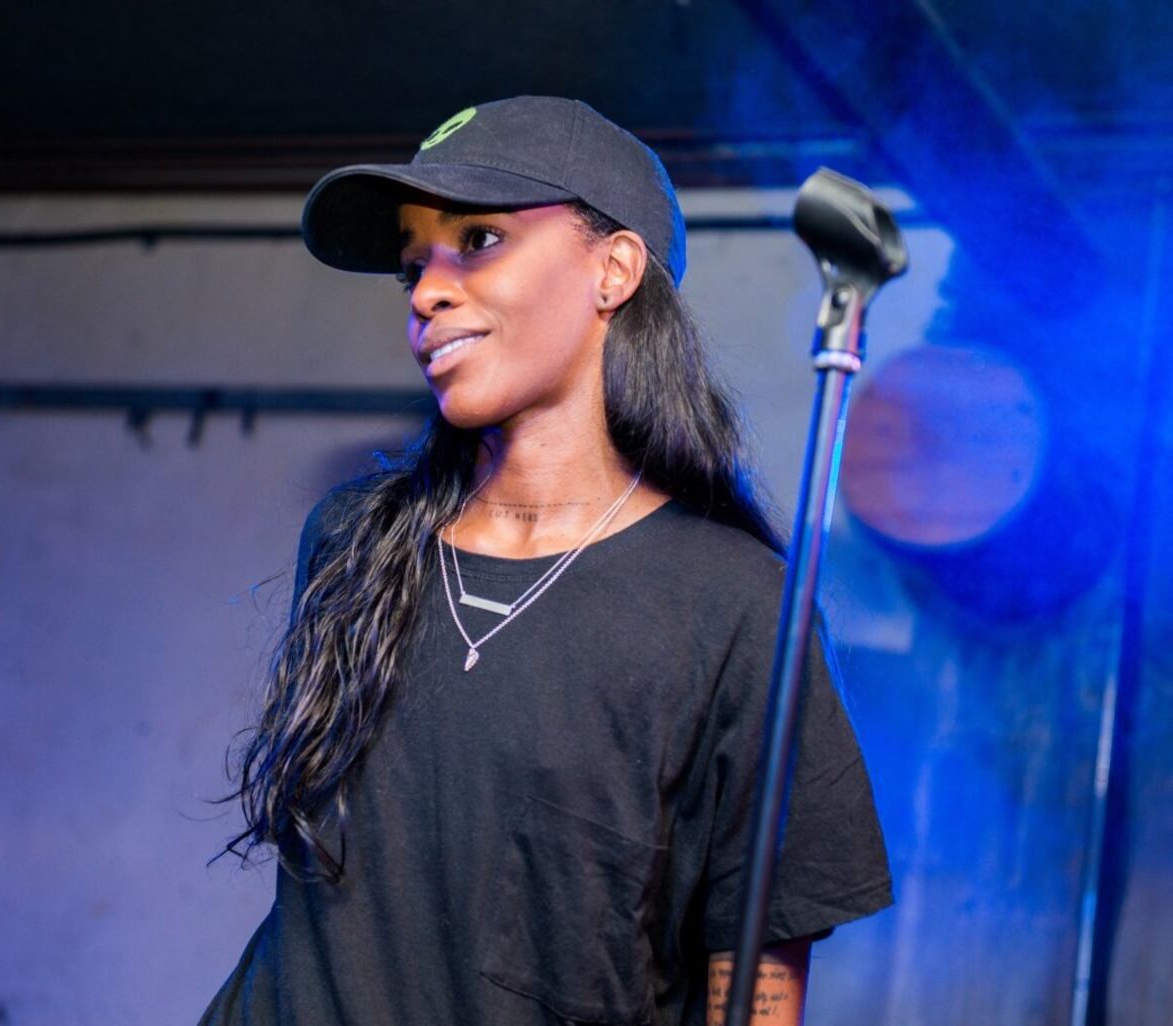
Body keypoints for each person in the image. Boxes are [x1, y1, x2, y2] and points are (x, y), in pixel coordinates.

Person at [201, 96, 892, 1026]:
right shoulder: (356, 540)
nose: (426, 292)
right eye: (413, 265)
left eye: (478, 240)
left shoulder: (733, 607)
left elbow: (755, 970)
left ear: (613, 270)